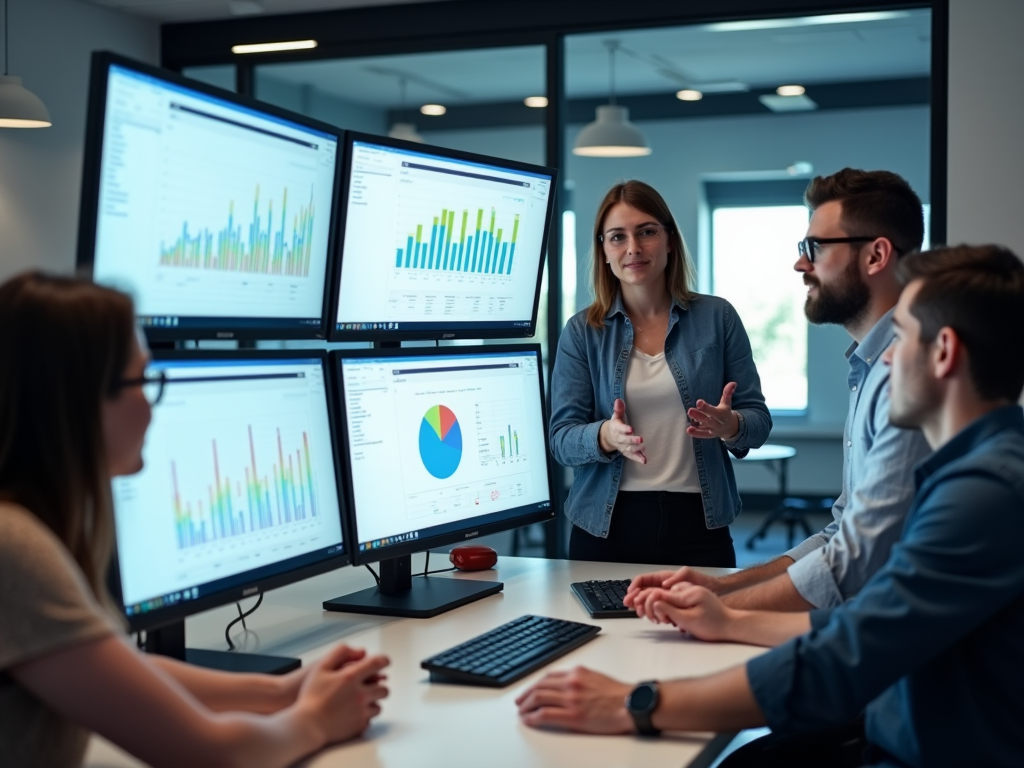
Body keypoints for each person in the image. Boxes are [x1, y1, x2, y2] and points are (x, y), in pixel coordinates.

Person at [518, 244, 1024, 767]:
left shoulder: (983, 496)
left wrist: (637, 703)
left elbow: (846, 656)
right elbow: (863, 622)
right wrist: (729, 618)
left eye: (903, 337)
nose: (888, 357)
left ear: (943, 351)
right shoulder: (971, 472)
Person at [0, 272, 390, 768]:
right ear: (75, 400)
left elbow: (119, 669)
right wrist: (316, 719)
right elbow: (212, 754)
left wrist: (286, 691)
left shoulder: (31, 525)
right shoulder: (14, 545)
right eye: (142, 380)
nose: (152, 403)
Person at [627, 168, 932, 610]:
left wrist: (726, 611)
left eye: (815, 248)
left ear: (876, 255)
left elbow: (856, 562)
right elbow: (840, 534)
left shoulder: (904, 374)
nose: (800, 263)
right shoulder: (870, 368)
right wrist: (722, 588)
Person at [549, 180, 770, 567]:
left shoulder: (718, 318)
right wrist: (604, 435)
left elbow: (759, 422)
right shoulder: (583, 331)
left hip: (700, 524)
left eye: (647, 232)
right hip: (604, 524)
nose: (633, 248)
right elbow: (562, 440)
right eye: (618, 237)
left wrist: (730, 425)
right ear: (604, 250)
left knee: (704, 629)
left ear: (669, 240)